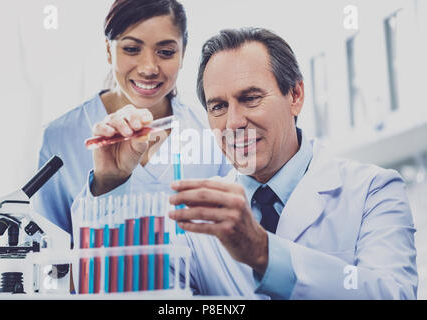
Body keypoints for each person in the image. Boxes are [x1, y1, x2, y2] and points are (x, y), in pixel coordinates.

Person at [167, 28, 418, 299]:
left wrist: (264, 252)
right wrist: (114, 178)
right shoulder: (194, 213)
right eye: (218, 107)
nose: (234, 123)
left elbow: (393, 294)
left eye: (250, 99)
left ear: (295, 96)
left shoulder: (373, 190)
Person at [34, 0, 230, 243]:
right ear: (108, 50)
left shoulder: (210, 133)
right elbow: (50, 253)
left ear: (183, 54)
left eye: (166, 52)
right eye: (131, 49)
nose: (149, 68)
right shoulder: (61, 136)